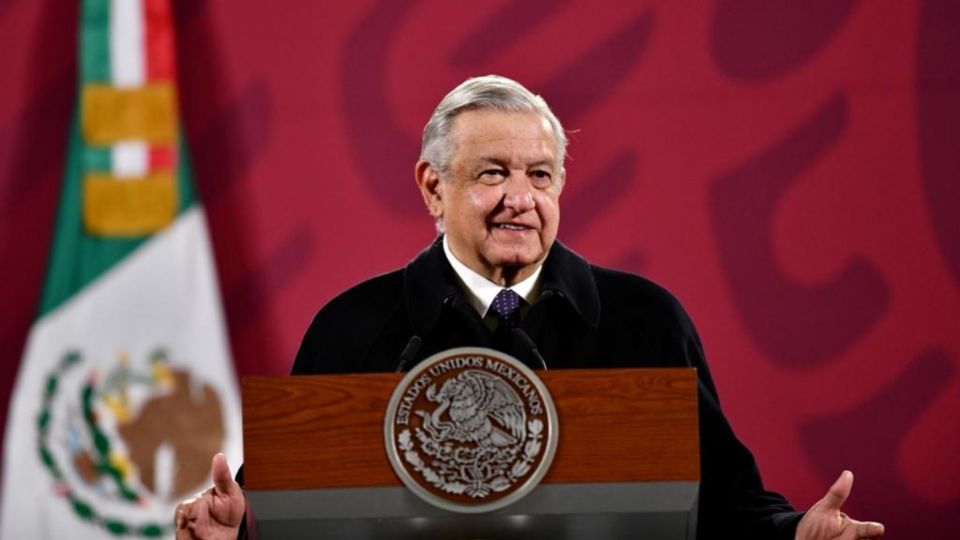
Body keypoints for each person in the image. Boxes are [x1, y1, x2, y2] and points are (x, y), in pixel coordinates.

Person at [175, 75, 885, 539]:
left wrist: (795, 532)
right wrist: (231, 529)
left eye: (540, 175)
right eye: (493, 173)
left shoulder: (642, 319)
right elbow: (283, 512)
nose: (522, 198)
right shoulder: (354, 327)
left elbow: (726, 502)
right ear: (432, 186)